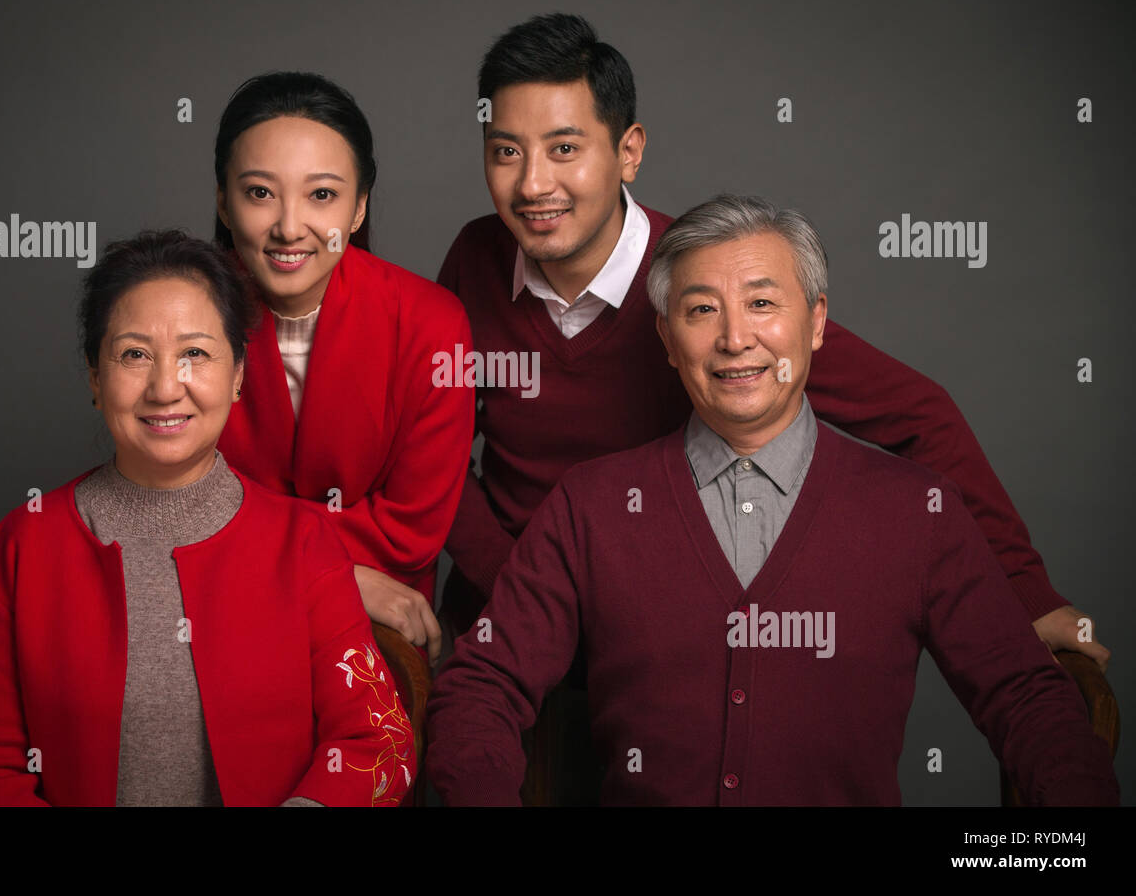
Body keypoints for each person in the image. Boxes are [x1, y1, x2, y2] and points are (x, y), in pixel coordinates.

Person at [426, 195, 1119, 806]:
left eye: (762, 303)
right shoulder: (593, 506)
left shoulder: (920, 514)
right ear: (667, 339)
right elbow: (482, 685)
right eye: (702, 311)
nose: (735, 339)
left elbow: (1027, 702)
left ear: (816, 323)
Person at [0, 231, 414, 806]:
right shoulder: (23, 545)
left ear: (238, 374)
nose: (166, 388)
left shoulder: (303, 542)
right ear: (95, 377)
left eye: (195, 353)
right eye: (134, 355)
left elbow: (376, 741)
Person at [213, 72, 475, 663]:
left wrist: (240, 538)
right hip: (214, 610)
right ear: (222, 202)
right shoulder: (179, 315)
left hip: (374, 630)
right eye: (259, 193)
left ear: (359, 208)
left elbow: (408, 533)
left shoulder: (434, 325)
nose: (288, 226)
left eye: (322, 195)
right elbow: (162, 505)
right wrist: (328, 573)